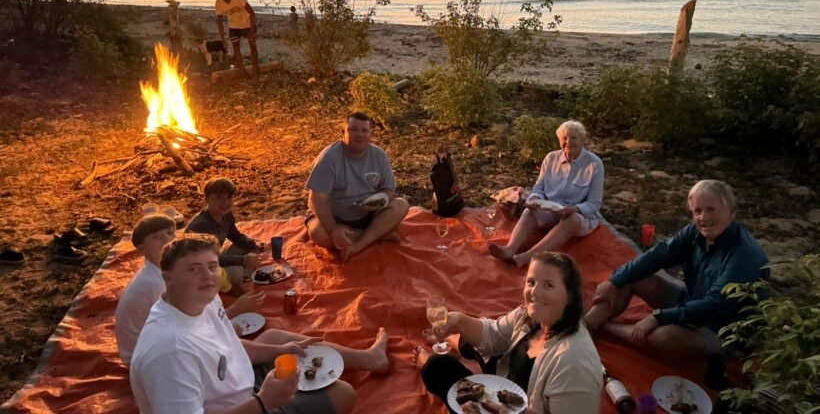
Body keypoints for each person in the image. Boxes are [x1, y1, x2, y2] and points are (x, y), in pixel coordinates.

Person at [130, 234, 356, 413]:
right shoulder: (170, 351)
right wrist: (263, 403)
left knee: (278, 340)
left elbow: (229, 344)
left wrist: (280, 351)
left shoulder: (202, 298)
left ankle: (369, 358)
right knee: (343, 394)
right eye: (193, 269)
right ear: (168, 278)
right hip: (243, 406)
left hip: (241, 388)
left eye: (212, 266)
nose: (207, 275)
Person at [584, 180, 769, 360]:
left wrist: (659, 316)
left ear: (731, 212)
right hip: (690, 300)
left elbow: (714, 305)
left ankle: (608, 328)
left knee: (663, 337)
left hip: (722, 330)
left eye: (711, 209)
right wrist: (614, 280)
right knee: (631, 276)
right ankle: (586, 325)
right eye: (698, 211)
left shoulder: (744, 256)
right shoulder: (695, 233)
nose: (703, 218)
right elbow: (657, 255)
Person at [416, 252, 602, 414]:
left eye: (548, 285)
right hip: (499, 394)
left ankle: (430, 359)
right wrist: (459, 320)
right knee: (438, 367)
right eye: (531, 282)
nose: (535, 292)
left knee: (435, 366)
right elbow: (493, 335)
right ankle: (449, 346)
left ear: (570, 295)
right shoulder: (530, 317)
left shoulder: (574, 362)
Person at [115, 216, 266, 364]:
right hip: (149, 356)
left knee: (243, 331)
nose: (167, 240)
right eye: (156, 237)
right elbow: (189, 327)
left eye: (170, 233)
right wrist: (237, 308)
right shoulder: (158, 283)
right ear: (141, 248)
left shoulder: (165, 271)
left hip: (168, 340)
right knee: (235, 333)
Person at [490, 120, 604, 268]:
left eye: (574, 138)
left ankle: (527, 257)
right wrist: (534, 200)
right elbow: (539, 188)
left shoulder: (595, 164)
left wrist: (574, 209)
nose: (568, 142)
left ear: (583, 139)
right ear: (559, 141)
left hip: (577, 215)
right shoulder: (551, 158)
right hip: (550, 210)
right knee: (528, 212)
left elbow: (594, 203)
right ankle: (509, 249)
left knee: (572, 220)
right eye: (564, 138)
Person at [305, 112, 410, 261]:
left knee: (401, 205)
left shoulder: (379, 155)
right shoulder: (328, 158)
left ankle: (358, 244)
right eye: (353, 129)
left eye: (364, 130)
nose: (359, 135)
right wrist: (333, 229)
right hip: (334, 216)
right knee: (319, 235)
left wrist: (381, 199)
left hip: (367, 215)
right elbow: (317, 198)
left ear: (370, 134)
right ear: (343, 133)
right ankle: (377, 234)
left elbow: (389, 189)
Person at [186, 177, 264, 292]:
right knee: (236, 273)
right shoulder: (202, 225)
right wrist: (241, 260)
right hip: (199, 266)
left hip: (214, 254)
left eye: (229, 197)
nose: (225, 202)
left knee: (252, 248)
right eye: (218, 198)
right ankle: (235, 281)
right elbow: (207, 259)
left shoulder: (226, 215)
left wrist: (254, 244)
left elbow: (236, 237)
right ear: (206, 199)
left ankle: (241, 273)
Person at [214, 0, 259, 77]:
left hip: (246, 24)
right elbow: (219, 21)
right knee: (236, 49)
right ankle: (242, 71)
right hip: (234, 27)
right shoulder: (218, 3)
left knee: (252, 45)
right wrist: (222, 38)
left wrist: (251, 30)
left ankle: (255, 68)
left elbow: (251, 13)